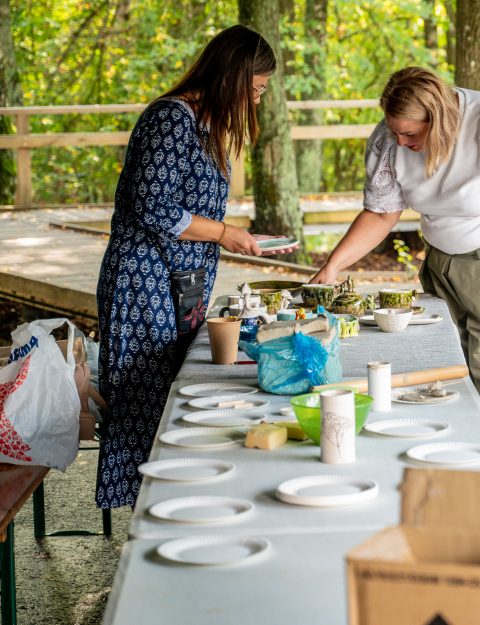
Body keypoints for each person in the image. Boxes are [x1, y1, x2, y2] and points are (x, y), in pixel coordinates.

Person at [310, 67, 480, 448]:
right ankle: (461, 466)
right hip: (448, 263)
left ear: (438, 119)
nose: (400, 142)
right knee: (453, 366)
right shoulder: (389, 141)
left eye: (411, 134)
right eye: (394, 131)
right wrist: (333, 265)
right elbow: (382, 213)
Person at [95, 25, 297, 509]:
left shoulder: (206, 127)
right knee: (144, 396)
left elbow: (191, 210)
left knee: (173, 391)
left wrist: (239, 232)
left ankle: (177, 494)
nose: (257, 101)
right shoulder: (170, 119)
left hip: (179, 283)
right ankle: (149, 509)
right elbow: (153, 205)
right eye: (255, 89)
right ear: (231, 77)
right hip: (143, 283)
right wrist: (226, 233)